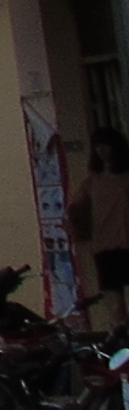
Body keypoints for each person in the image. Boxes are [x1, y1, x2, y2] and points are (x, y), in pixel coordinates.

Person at [75, 126, 129, 338]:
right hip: (104, 245)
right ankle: (121, 336)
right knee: (114, 300)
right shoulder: (91, 182)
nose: (101, 150)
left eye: (105, 145)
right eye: (97, 146)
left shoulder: (125, 179)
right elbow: (77, 209)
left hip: (125, 241)